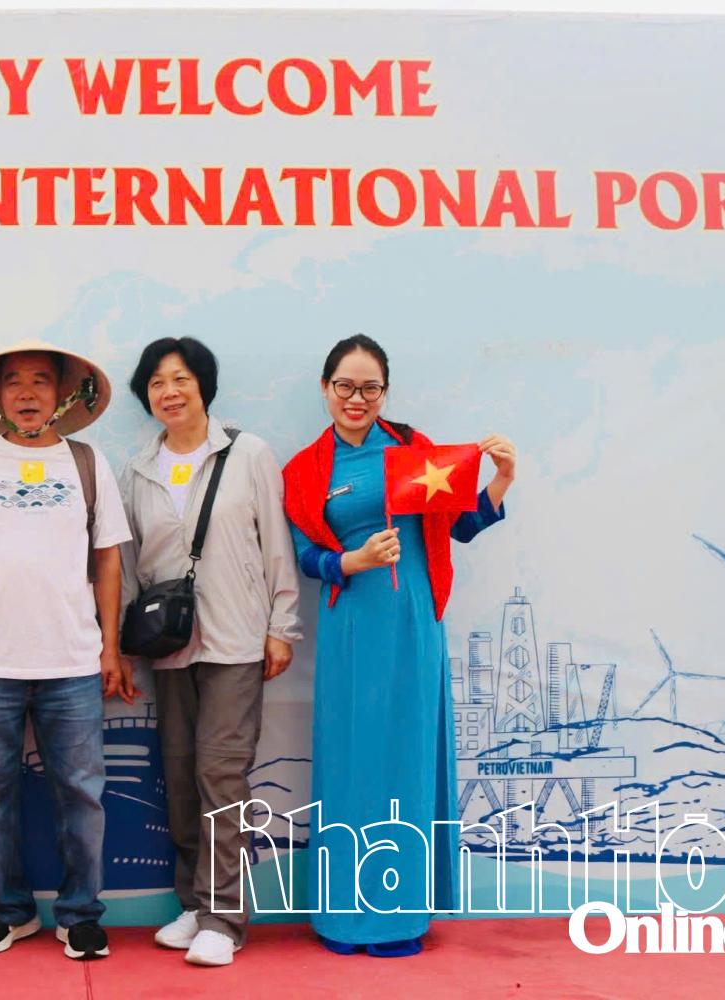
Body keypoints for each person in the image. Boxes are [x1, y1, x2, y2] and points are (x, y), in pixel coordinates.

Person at [282, 334, 516, 957]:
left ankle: (399, 918)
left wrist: (500, 480)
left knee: (408, 758)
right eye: (345, 386)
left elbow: (462, 526)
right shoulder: (304, 470)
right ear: (326, 388)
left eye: (370, 387)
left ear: (385, 392)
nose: (357, 398)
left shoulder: (415, 452)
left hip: (413, 624)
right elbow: (304, 555)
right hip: (349, 628)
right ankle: (344, 917)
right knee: (348, 761)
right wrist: (350, 561)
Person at [0, 340, 134, 961]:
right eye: (13, 381)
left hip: (72, 658)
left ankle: (80, 915)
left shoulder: (87, 464)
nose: (27, 393)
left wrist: (111, 648)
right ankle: (5, 912)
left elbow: (109, 560)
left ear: (62, 394)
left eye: (41, 381)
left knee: (82, 793)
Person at [118, 337, 302, 967]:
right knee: (178, 776)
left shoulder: (247, 454)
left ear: (203, 386)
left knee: (221, 773)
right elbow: (129, 565)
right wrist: (122, 646)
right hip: (169, 647)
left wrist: (282, 625)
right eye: (156, 383)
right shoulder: (138, 470)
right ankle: (195, 906)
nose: (169, 392)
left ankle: (225, 917)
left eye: (181, 379)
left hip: (236, 639)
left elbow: (275, 543)